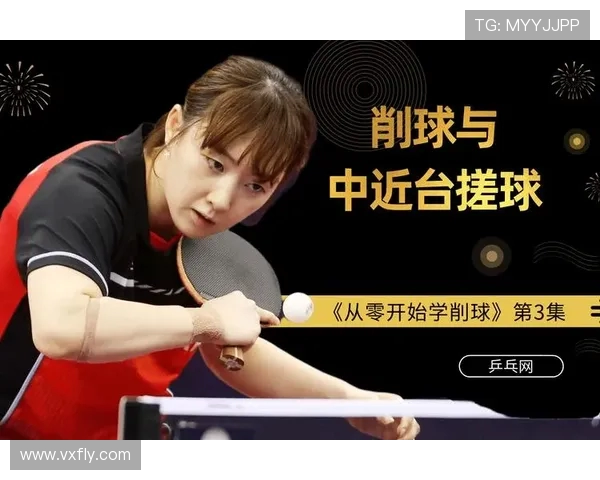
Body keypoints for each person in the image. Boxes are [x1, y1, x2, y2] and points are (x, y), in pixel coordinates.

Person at [0, 55, 420, 441]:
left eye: (255, 186)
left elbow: (228, 351)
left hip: (124, 448)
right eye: (215, 163)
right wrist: (203, 321)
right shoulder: (81, 191)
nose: (221, 200)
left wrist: (346, 400)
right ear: (175, 126)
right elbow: (62, 327)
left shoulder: (199, 233)